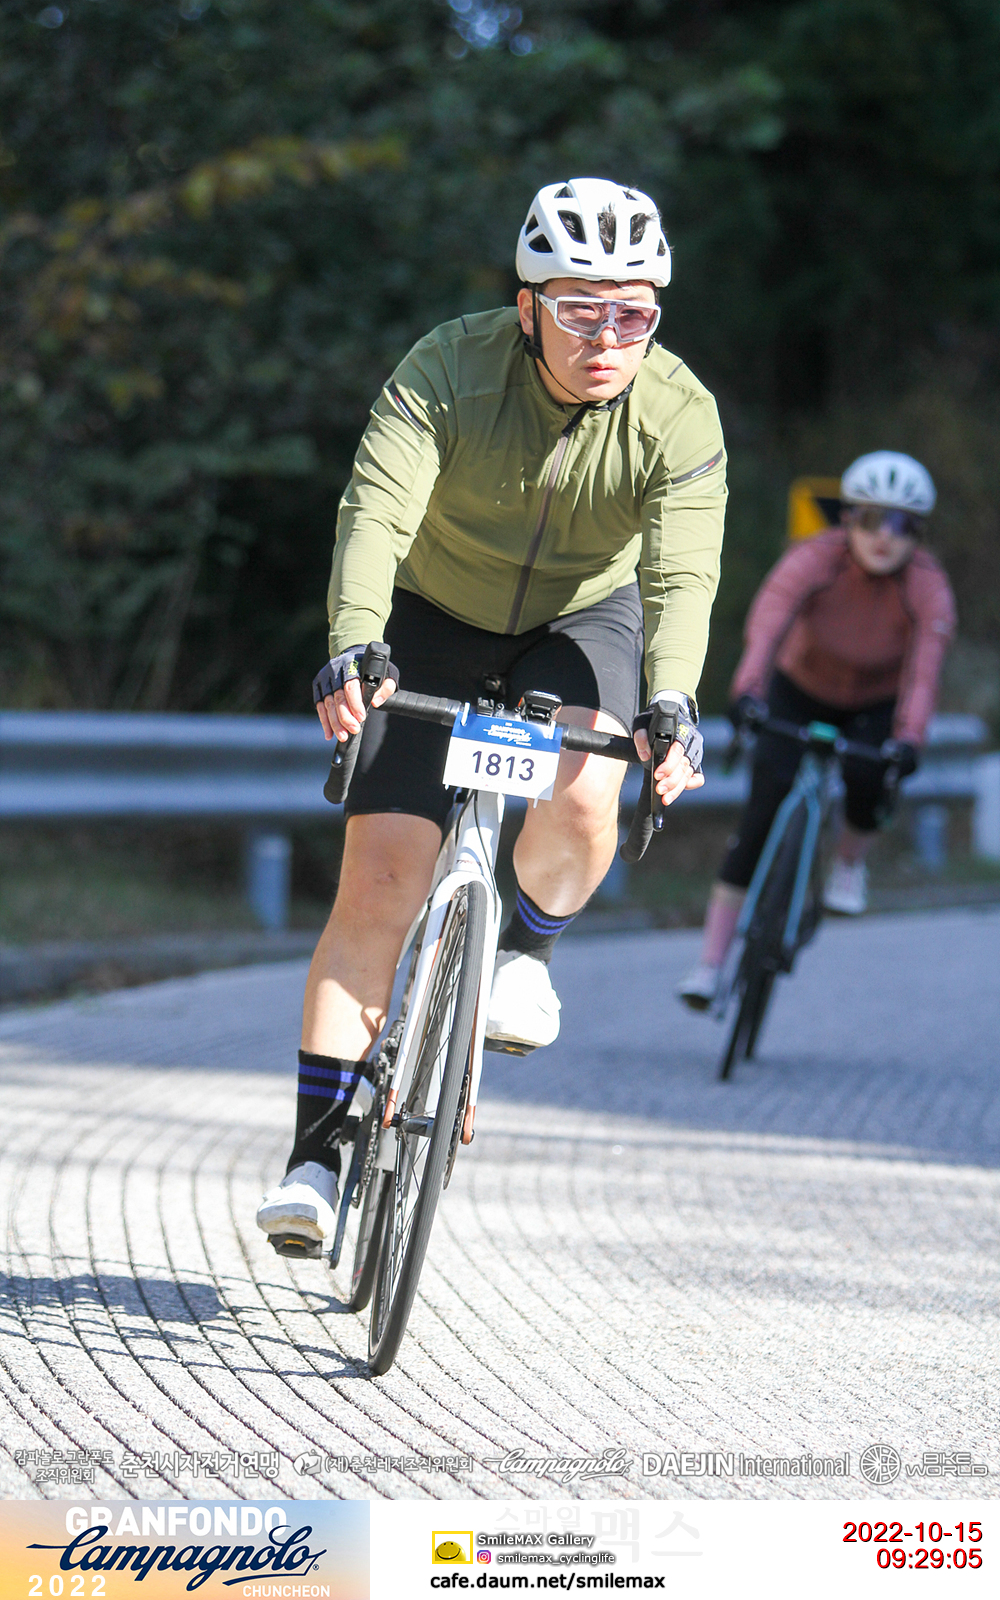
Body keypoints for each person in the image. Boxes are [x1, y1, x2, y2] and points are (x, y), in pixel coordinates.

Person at [257, 177, 728, 1255]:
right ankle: (315, 1160)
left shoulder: (678, 412)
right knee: (379, 882)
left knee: (586, 789)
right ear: (527, 308)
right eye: (579, 309)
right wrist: (355, 637)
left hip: (582, 619)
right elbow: (374, 511)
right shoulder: (446, 368)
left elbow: (682, 576)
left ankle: (526, 949)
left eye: (633, 314)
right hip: (431, 613)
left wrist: (671, 699)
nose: (607, 337)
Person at [678, 450, 956, 1010]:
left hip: (873, 701)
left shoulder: (927, 587)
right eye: (871, 519)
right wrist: (748, 692)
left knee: (869, 777)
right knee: (760, 815)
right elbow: (768, 624)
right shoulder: (813, 558)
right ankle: (709, 965)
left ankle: (848, 865)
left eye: (902, 525)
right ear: (847, 519)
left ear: (918, 535)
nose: (885, 537)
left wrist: (910, 737)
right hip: (799, 688)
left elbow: (924, 672)